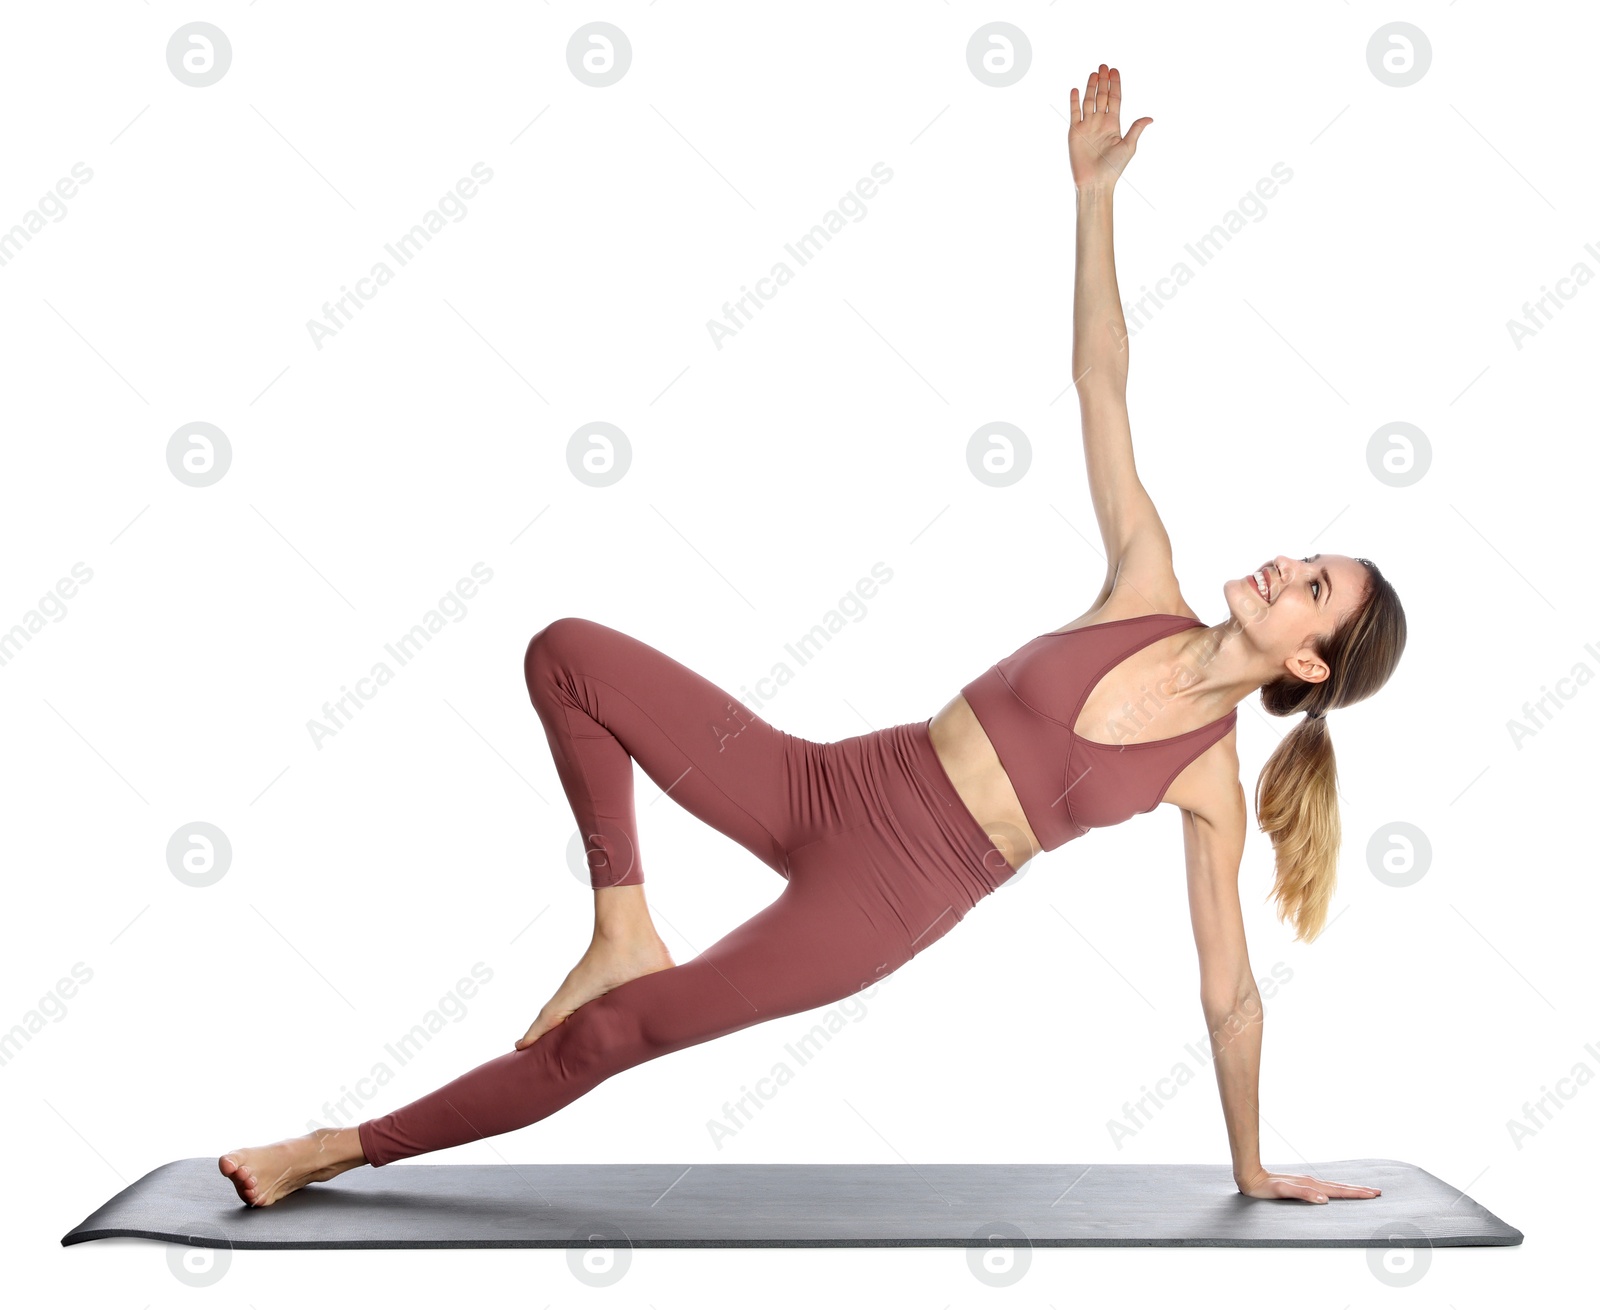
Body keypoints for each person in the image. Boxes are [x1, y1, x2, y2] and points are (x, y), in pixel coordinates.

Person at [221, 64, 1403, 1210]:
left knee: (617, 1034)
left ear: (1308, 661)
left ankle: (332, 1147)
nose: (1281, 569)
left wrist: (1250, 1165)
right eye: (1302, 559)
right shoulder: (1146, 575)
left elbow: (1230, 990)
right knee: (566, 651)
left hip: (881, 901)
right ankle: (622, 920)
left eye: (1310, 588)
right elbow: (1102, 376)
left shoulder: (1207, 779)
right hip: (825, 778)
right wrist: (1094, 196)